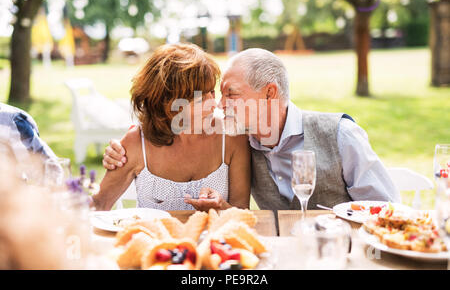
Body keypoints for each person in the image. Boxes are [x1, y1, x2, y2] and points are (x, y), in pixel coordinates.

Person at [103, 47, 400, 210]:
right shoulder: (242, 138)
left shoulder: (339, 135)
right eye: (212, 94)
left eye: (229, 93)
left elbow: (387, 211)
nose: (219, 104)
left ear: (270, 93)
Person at [92, 43, 251, 211]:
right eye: (200, 99)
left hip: (215, 238)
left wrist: (222, 208)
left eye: (212, 92)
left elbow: (242, 213)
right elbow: (98, 204)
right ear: (168, 103)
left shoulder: (233, 137)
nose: (215, 104)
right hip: (152, 237)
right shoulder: (136, 142)